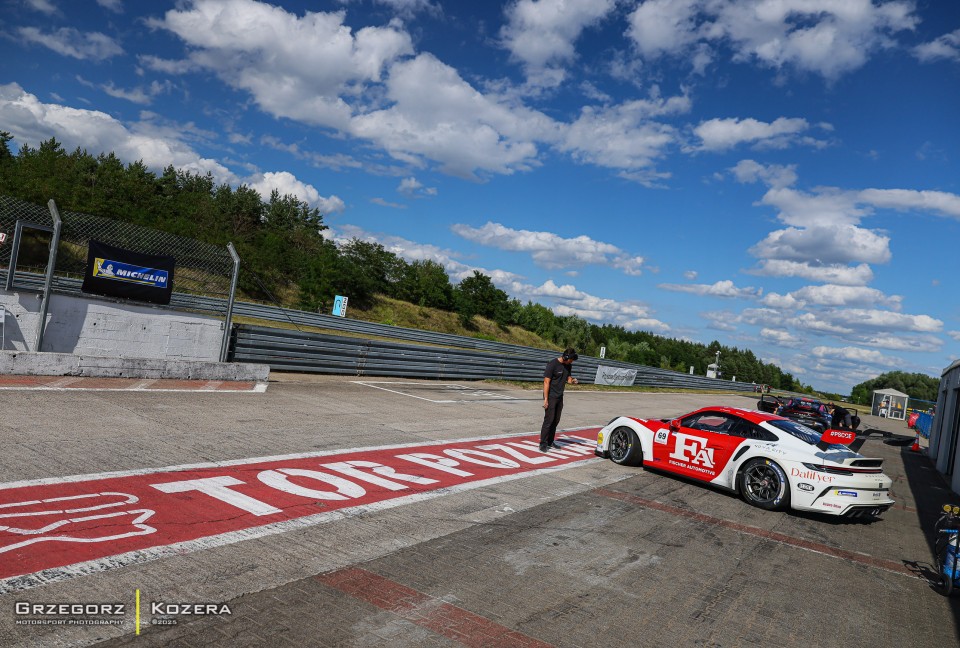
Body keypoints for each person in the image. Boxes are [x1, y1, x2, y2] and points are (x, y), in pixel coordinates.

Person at [540, 348, 579, 451]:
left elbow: (568, 379)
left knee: (555, 420)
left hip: (559, 396)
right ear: (566, 357)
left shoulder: (568, 365)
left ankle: (550, 442)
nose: (571, 362)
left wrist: (573, 381)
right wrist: (546, 399)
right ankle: (543, 443)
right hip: (551, 396)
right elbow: (546, 382)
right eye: (570, 360)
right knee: (549, 420)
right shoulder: (552, 364)